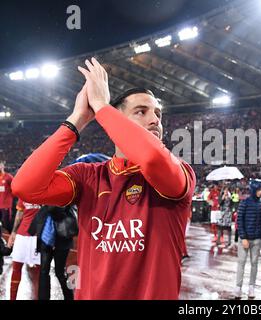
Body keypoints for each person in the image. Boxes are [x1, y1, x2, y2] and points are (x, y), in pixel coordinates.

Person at [11, 58, 196, 300]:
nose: (155, 120)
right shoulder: (88, 176)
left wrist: (100, 105)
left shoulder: (180, 172)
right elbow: (25, 186)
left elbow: (150, 158)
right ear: (114, 122)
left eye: (158, 114)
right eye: (142, 111)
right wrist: (78, 118)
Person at [28, 205, 76, 300]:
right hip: (46, 240)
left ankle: (69, 297)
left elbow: (55, 210)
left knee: (60, 272)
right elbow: (39, 217)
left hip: (62, 240)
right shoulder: (45, 206)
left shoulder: (65, 200)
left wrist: (49, 203)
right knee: (44, 271)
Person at [234, 179, 261, 300]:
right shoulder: (244, 203)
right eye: (258, 189)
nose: (260, 192)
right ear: (253, 190)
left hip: (257, 239)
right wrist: (244, 238)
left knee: (254, 264)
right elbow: (239, 221)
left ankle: (252, 286)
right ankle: (238, 287)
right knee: (241, 263)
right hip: (245, 239)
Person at [7, 198, 41, 300]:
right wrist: (13, 233)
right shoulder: (24, 193)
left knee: (37, 272)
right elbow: (19, 213)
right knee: (17, 269)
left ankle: (35, 297)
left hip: (37, 237)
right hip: (24, 236)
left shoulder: (44, 192)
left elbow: (19, 214)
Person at [0, 161, 14, 233]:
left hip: (6, 205)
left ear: (3, 166)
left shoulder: (8, 177)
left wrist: (10, 198)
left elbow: (15, 187)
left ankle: (9, 239)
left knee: (6, 224)